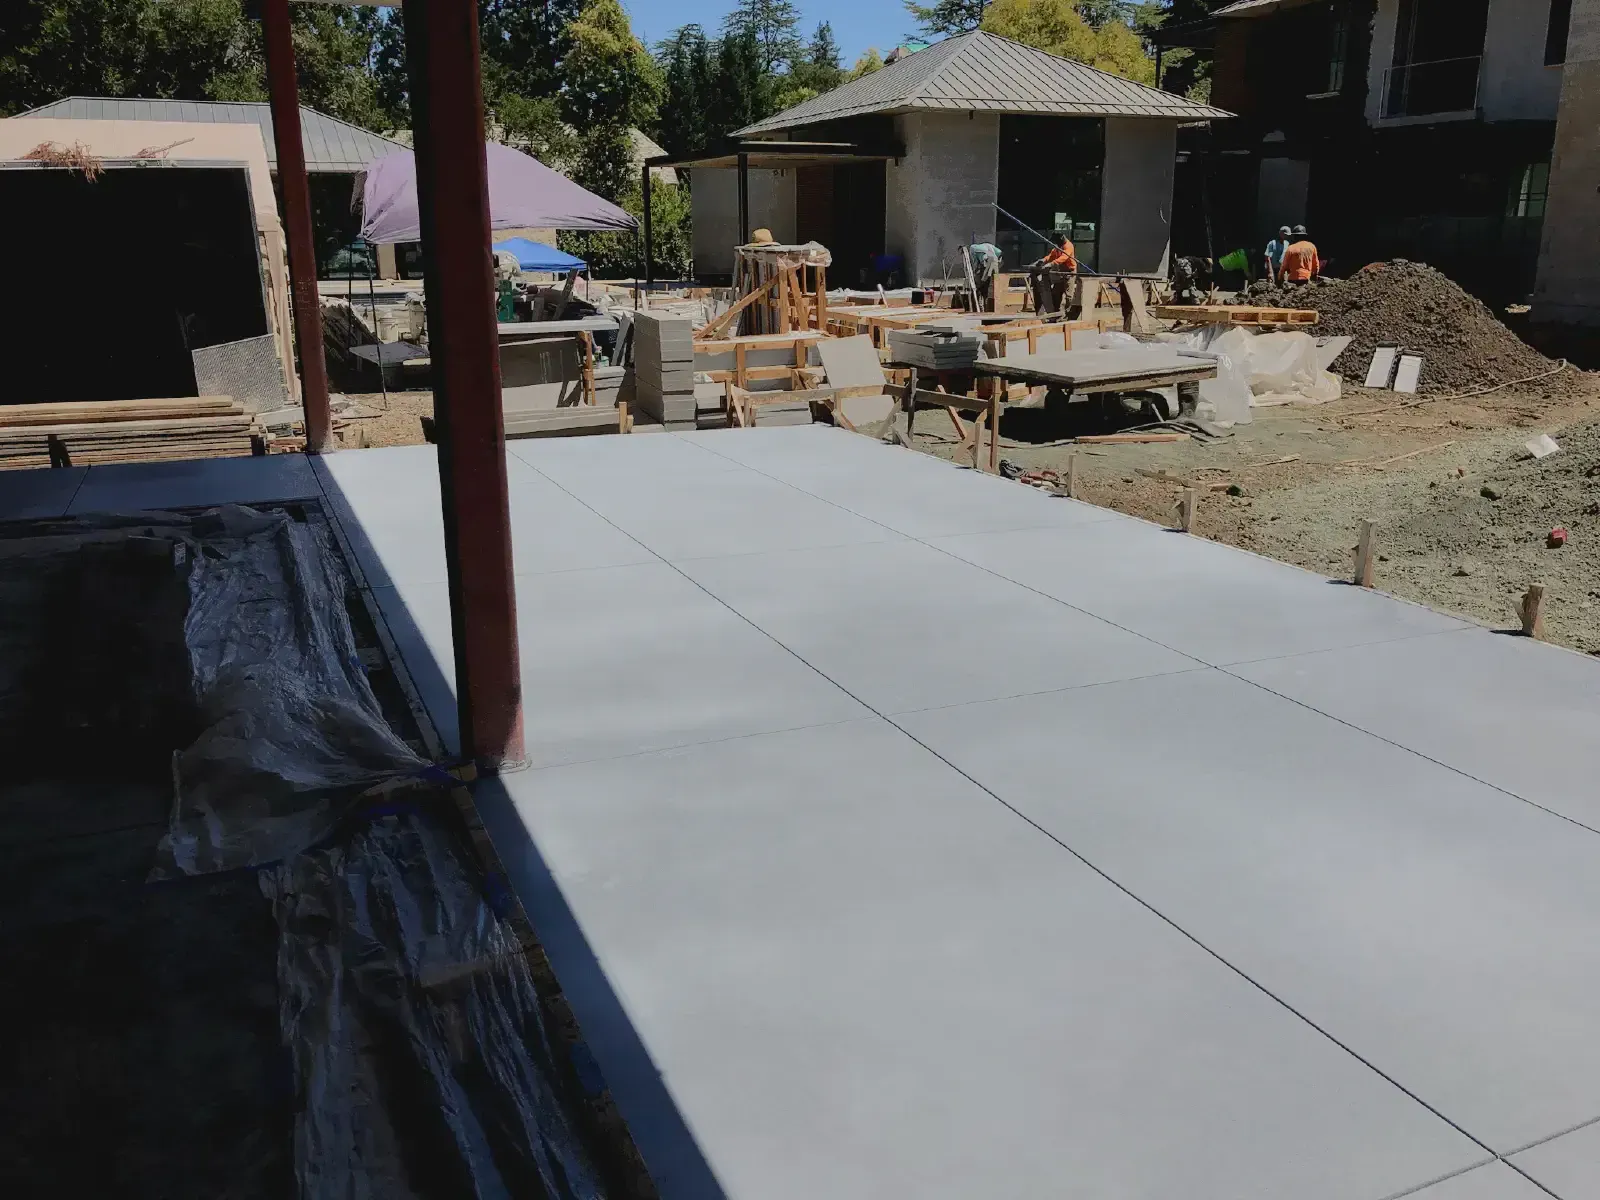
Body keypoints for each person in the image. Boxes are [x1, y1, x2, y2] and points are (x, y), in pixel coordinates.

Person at [1029, 237, 1077, 315]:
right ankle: (1055, 314)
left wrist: (1051, 264)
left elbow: (1063, 258)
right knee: (1056, 293)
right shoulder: (1057, 247)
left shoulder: (1068, 246)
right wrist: (1043, 260)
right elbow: (1051, 256)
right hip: (1060, 272)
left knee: (1069, 295)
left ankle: (1069, 314)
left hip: (1069, 272)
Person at [967, 242, 1001, 311]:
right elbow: (999, 251)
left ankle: (980, 303)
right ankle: (987, 305)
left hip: (986, 264)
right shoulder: (988, 245)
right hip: (995, 263)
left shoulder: (974, 250)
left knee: (981, 284)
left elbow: (976, 263)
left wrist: (975, 271)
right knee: (992, 283)